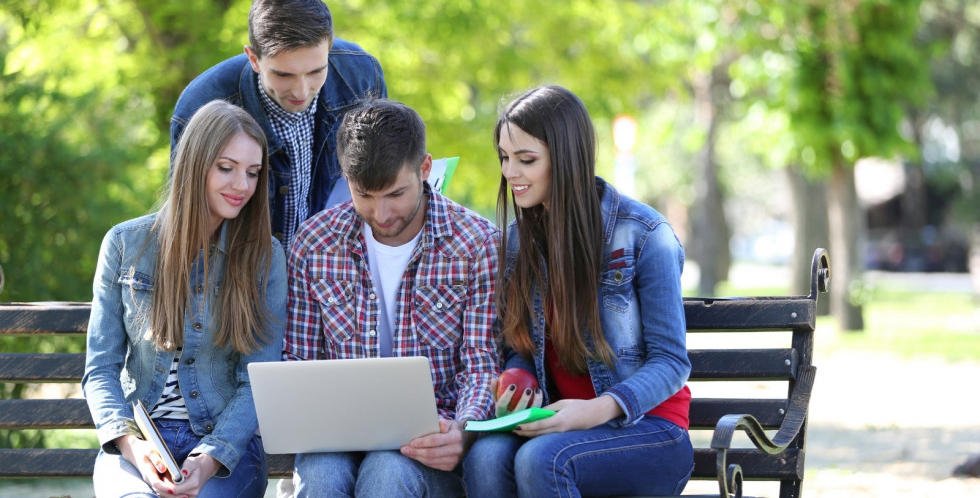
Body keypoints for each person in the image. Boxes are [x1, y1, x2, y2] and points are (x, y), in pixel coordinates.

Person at [462, 85, 695, 497]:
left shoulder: (644, 235)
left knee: (543, 458)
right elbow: (525, 347)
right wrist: (519, 380)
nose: (509, 172)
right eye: (504, 157)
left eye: (526, 159)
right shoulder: (518, 242)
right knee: (485, 456)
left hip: (648, 430)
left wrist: (594, 412)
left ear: (566, 158)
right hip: (561, 426)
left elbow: (671, 362)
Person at [283, 98, 499, 497]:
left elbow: (482, 364)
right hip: (336, 433)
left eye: (396, 194)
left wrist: (463, 430)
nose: (381, 214)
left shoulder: (476, 243)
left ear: (426, 168)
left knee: (386, 471)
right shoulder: (313, 244)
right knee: (322, 478)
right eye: (364, 195)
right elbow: (299, 361)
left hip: (430, 438)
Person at [83, 100, 287, 498]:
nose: (242, 186)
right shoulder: (125, 245)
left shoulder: (265, 257)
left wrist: (209, 458)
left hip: (226, 450)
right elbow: (100, 369)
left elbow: (257, 380)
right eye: (226, 168)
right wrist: (133, 447)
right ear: (195, 165)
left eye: (252, 172)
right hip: (138, 442)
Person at [171, 0, 387, 248]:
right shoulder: (201, 106)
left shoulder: (361, 76)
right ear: (253, 58)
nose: (301, 90)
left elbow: (380, 174)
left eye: (316, 72)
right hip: (240, 271)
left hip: (333, 267)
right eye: (283, 75)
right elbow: (189, 220)